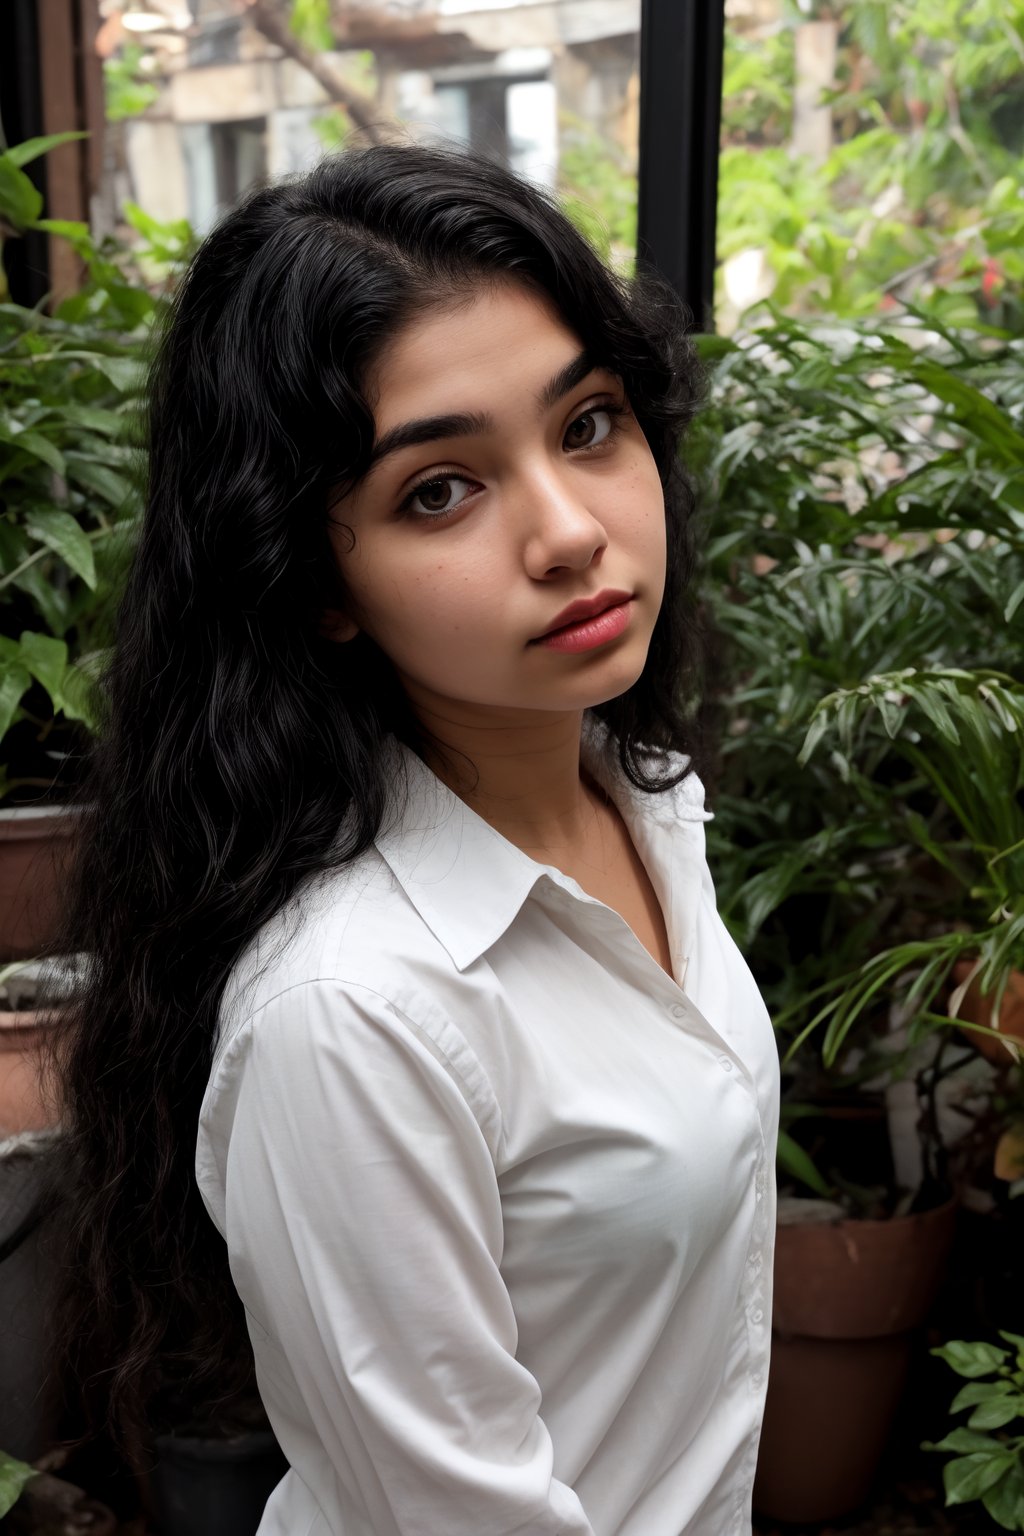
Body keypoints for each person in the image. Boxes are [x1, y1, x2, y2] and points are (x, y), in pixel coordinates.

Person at [52, 142, 780, 1535]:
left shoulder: (641, 800)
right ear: (316, 580)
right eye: (440, 488)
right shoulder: (356, 1011)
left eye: (588, 425)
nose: (570, 532)